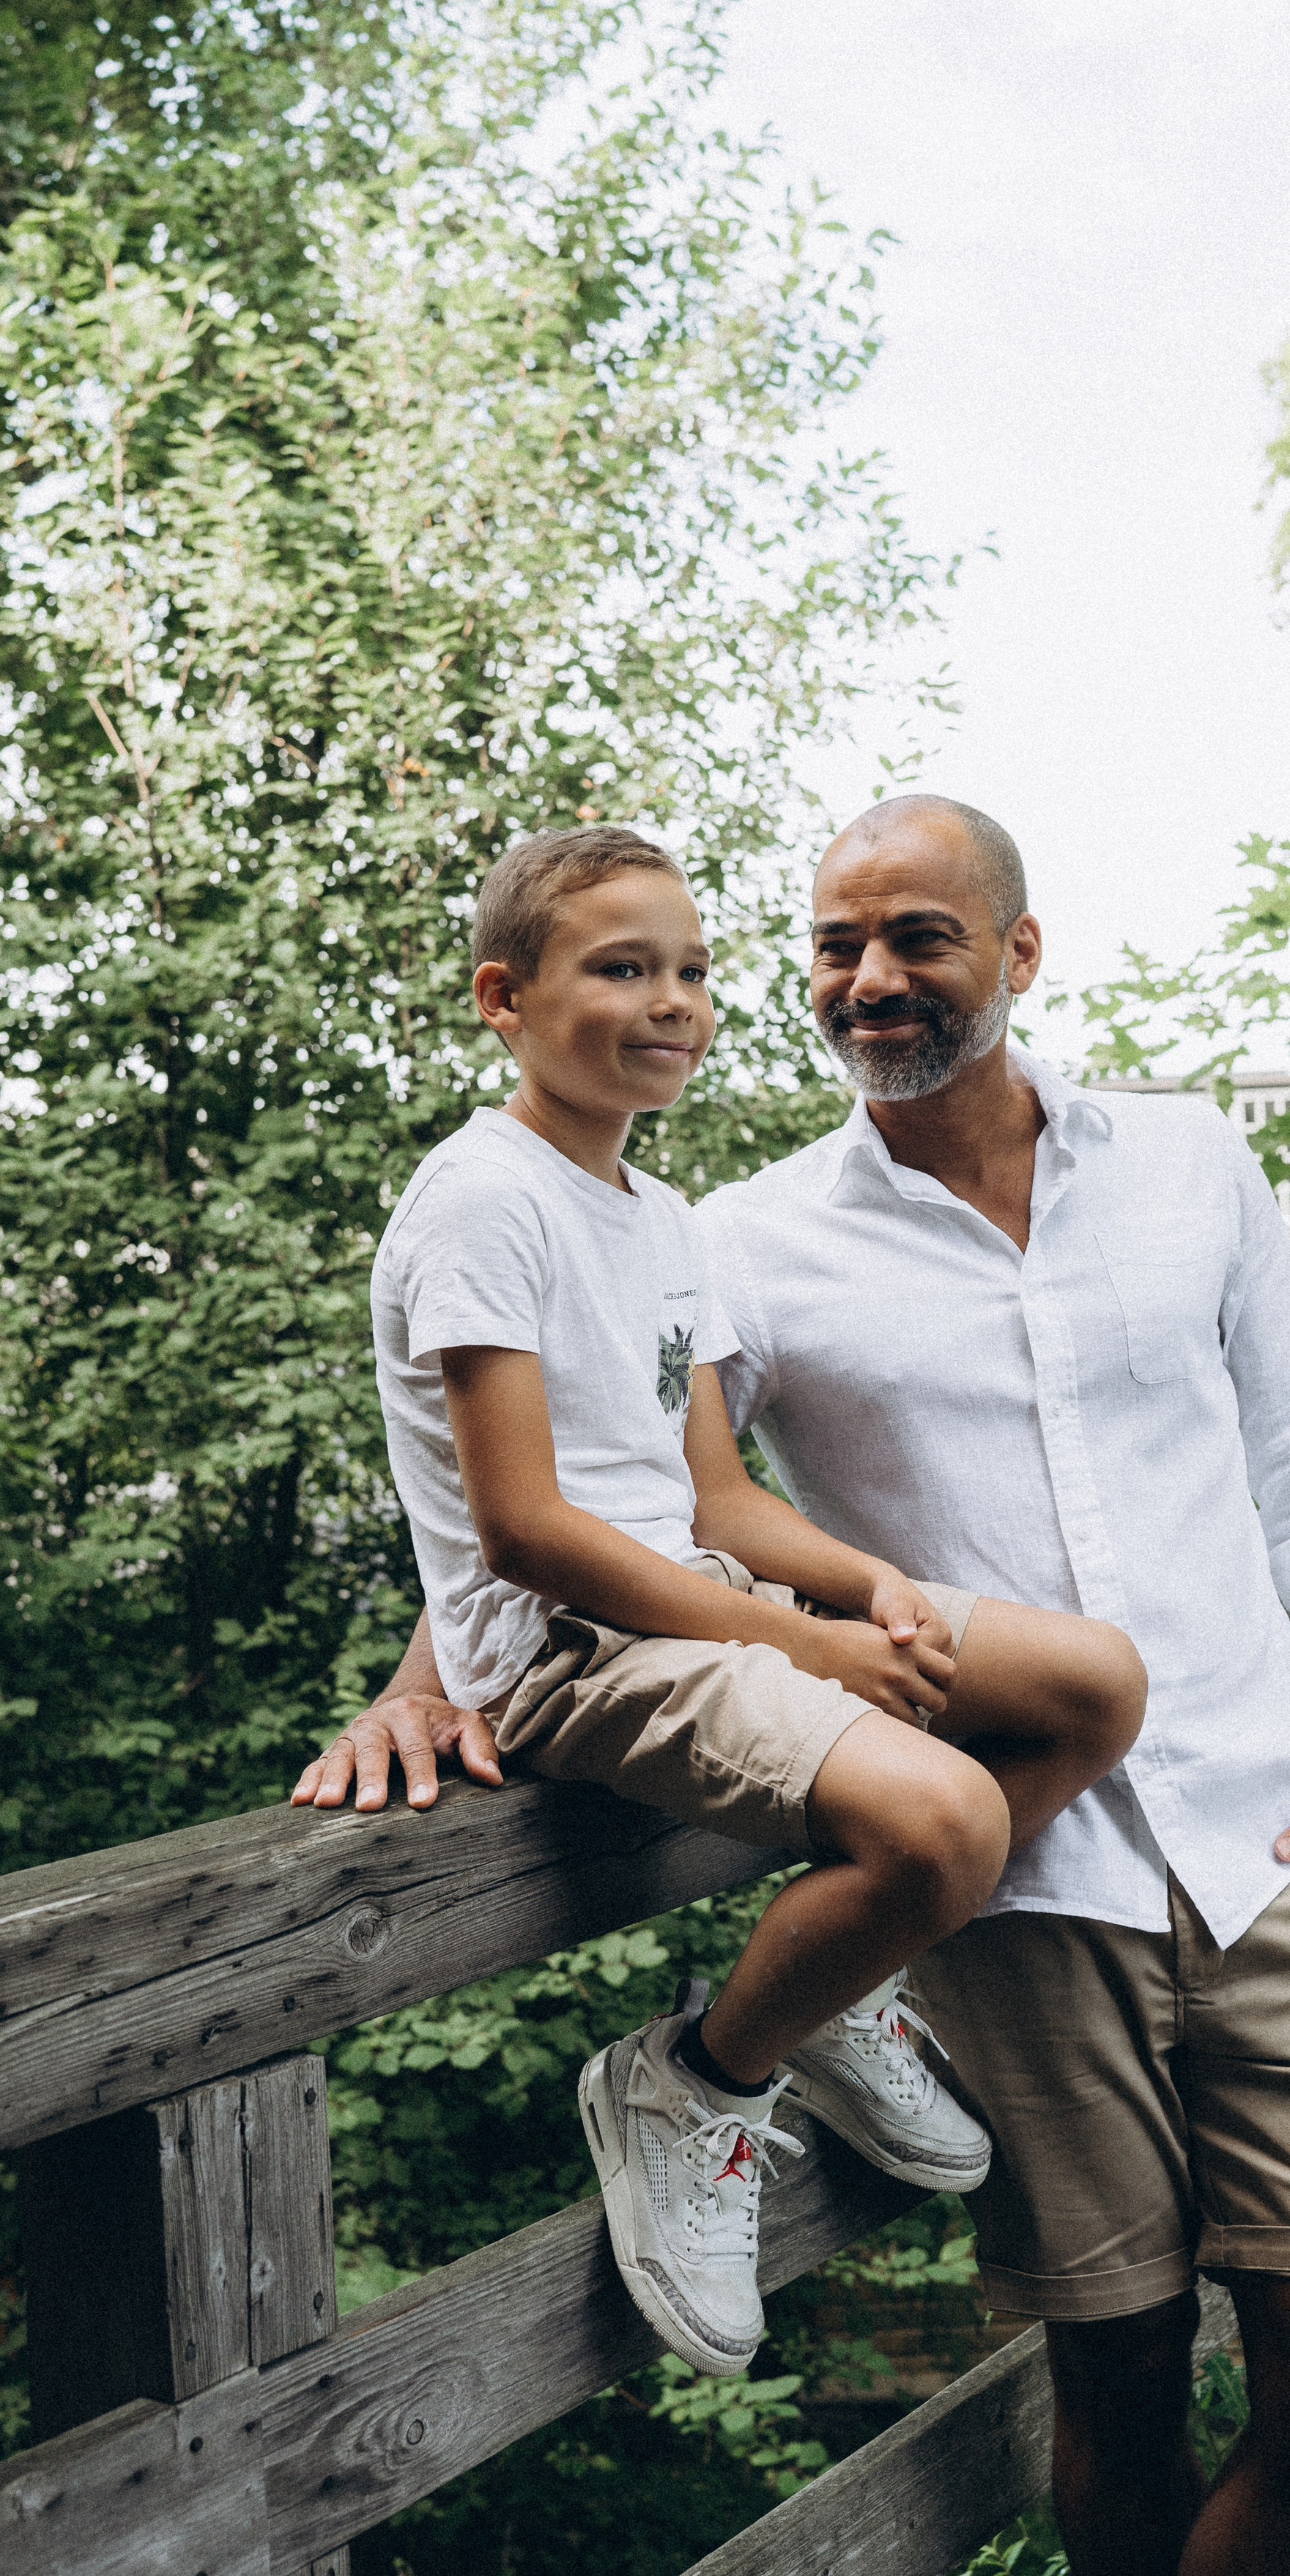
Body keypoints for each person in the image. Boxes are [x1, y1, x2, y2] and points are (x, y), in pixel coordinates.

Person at [308, 796, 1290, 2576]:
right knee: (1124, 2371)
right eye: (835, 945)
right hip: (1019, 1896)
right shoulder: (737, 1237)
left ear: (1019, 951)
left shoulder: (1190, 1167)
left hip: (1265, 1833)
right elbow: (603, 1485)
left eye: (917, 936)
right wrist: (428, 1671)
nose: (870, 978)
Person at [294, 822, 1146, 2387]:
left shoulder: (661, 1218)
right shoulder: (483, 1200)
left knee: (1091, 1684)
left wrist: (867, 1587)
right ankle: (698, 2075)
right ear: (505, 997)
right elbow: (528, 1530)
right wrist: (807, 1648)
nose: (672, 1002)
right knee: (945, 1823)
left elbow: (714, 1500)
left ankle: (833, 1983)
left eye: (689, 970)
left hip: (699, 1599)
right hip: (575, 1652)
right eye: (621, 969)